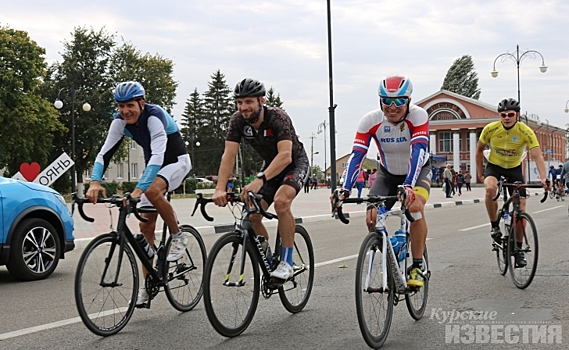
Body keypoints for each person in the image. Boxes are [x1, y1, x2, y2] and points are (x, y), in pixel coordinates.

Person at [86, 81, 192, 306]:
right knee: (145, 230)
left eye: (130, 105)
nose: (125, 111)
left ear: (141, 103)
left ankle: (178, 236)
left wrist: (137, 190)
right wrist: (95, 181)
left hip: (176, 163)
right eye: (121, 106)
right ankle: (148, 285)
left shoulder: (154, 116)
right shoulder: (119, 122)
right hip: (154, 169)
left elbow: (157, 156)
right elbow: (105, 153)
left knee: (153, 191)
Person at [337, 75, 431, 288]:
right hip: (387, 174)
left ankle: (416, 265)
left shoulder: (418, 116)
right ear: (380, 100)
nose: (392, 106)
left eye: (399, 101)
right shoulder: (370, 120)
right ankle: (389, 251)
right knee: (371, 217)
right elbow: (357, 155)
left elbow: (418, 152)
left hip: (417, 171)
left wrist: (408, 184)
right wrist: (345, 189)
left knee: (415, 208)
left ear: (408, 100)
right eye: (387, 101)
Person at [212, 78, 309, 280]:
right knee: (254, 215)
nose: (243, 107)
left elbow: (285, 156)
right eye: (239, 102)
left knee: (282, 203)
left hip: (294, 163)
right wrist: (220, 188)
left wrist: (260, 180)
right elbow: (228, 155)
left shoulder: (277, 118)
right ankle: (268, 260)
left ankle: (287, 262)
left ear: (261, 101)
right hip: (271, 167)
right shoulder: (237, 121)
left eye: (249, 102)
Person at [475, 98, 548, 267]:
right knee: (490, 189)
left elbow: (537, 155)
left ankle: (519, 250)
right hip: (494, 166)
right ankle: (494, 226)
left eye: (510, 114)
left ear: (517, 115)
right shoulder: (491, 129)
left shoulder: (525, 131)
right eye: (503, 114)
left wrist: (543, 178)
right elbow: (479, 149)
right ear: (499, 115)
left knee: (521, 208)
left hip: (514, 169)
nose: (506, 117)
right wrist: (480, 172)